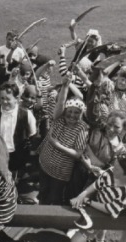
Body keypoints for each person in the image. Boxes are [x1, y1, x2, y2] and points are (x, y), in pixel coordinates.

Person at [38, 74, 89, 205]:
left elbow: (78, 154)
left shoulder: (82, 128)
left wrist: (57, 145)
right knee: (43, 192)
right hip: (44, 165)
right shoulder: (59, 119)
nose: (72, 115)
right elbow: (60, 102)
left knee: (54, 198)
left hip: (60, 174)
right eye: (70, 111)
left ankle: (50, 222)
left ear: (82, 113)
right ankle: (39, 218)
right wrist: (65, 86)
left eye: (77, 112)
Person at [0, 82, 37, 174]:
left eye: (8, 99)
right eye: (2, 98)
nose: (4, 102)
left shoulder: (26, 114)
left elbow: (33, 134)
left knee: (15, 177)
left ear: (16, 99)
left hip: (17, 154)